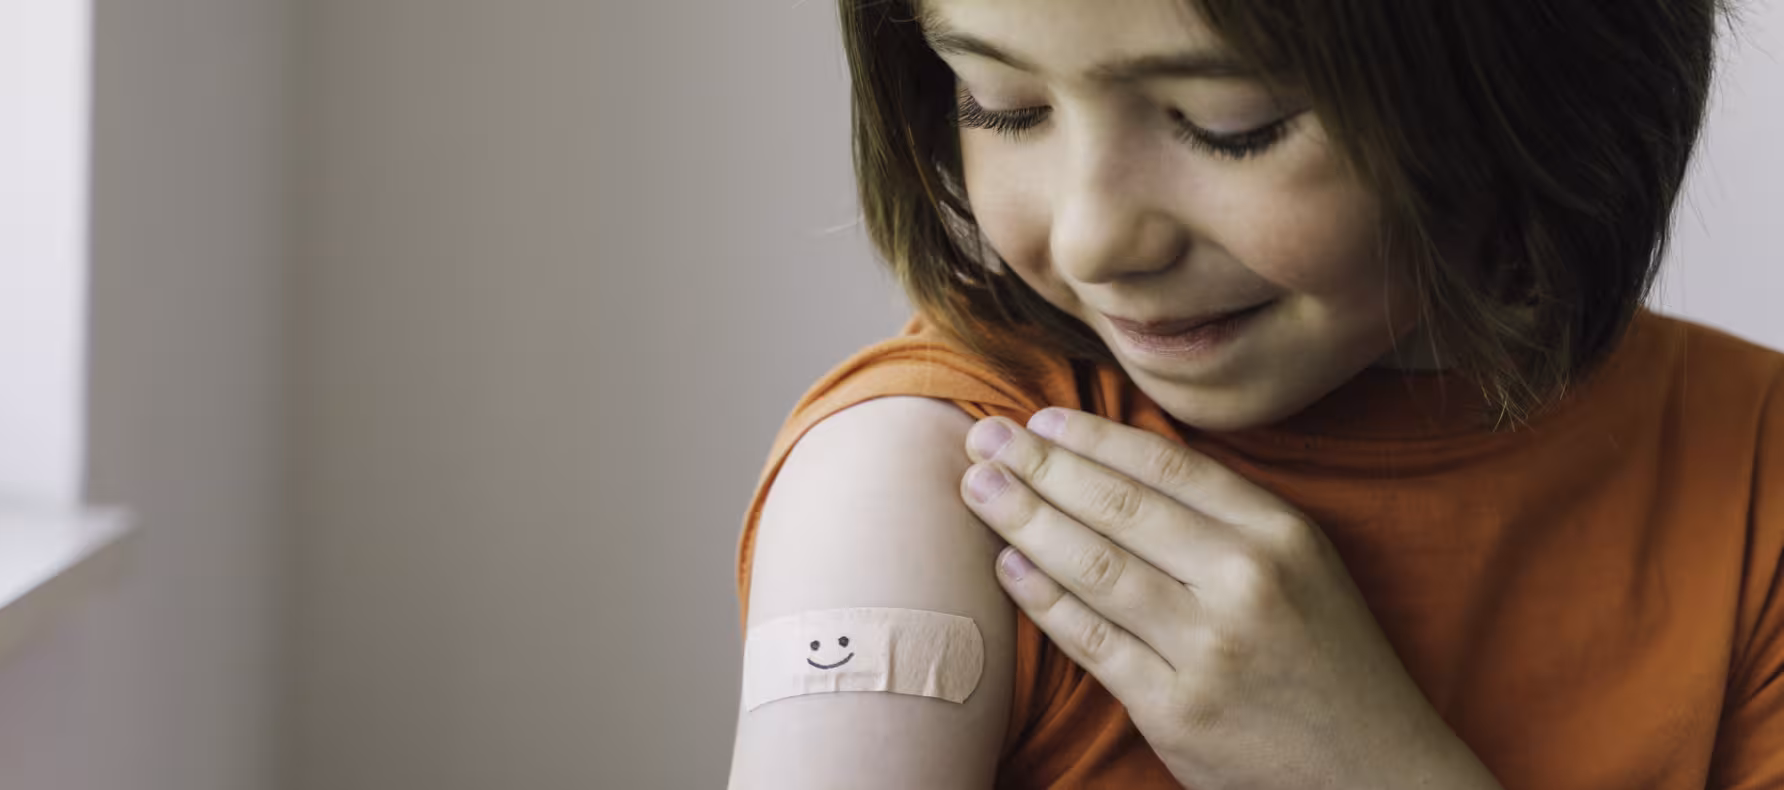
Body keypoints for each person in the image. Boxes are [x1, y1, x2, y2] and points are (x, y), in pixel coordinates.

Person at [726, 0, 1779, 787]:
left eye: (1229, 122)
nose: (1095, 237)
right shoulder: (916, 472)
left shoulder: (1753, 474)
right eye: (1001, 107)